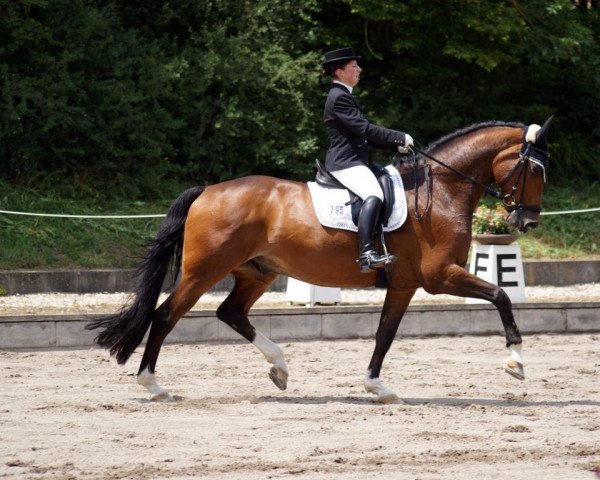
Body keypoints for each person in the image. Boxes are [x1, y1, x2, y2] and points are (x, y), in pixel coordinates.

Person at [321, 47, 414, 272]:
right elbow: (365, 129)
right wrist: (398, 136)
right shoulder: (339, 97)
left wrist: (397, 145)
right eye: (354, 66)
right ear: (340, 71)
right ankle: (366, 255)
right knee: (374, 194)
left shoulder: (344, 95)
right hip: (345, 162)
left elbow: (361, 136)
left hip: (354, 159)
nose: (359, 70)